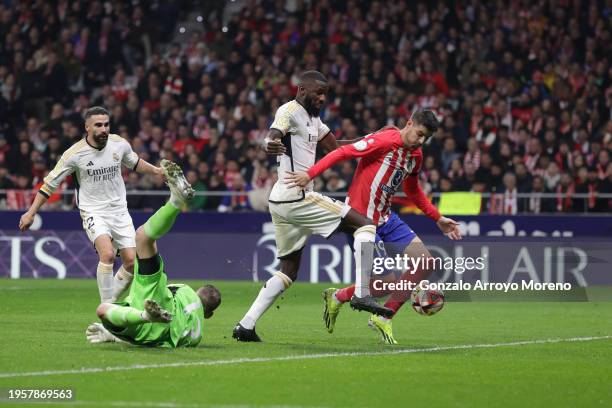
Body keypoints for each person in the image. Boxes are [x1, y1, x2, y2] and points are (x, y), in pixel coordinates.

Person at [233, 71, 391, 342]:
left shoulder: (314, 120)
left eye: (325, 94)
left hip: (281, 201)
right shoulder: (289, 110)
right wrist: (269, 143)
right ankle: (362, 293)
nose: (322, 98)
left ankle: (245, 326)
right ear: (302, 90)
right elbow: (273, 133)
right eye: (318, 93)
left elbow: (337, 149)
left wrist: (374, 140)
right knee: (365, 224)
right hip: (297, 196)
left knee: (288, 270)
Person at [285, 110, 462, 344]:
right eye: (419, 134)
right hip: (360, 222)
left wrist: (437, 217)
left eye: (425, 138)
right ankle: (339, 296)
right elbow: (342, 152)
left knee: (426, 262)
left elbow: (412, 191)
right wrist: (309, 174)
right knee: (385, 285)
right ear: (409, 124)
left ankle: (381, 317)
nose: (420, 141)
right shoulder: (384, 141)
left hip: (387, 219)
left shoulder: (415, 156)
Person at [19, 106, 161, 304]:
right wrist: (31, 212)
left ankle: (109, 304)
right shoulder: (74, 154)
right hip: (93, 211)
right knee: (108, 255)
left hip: (120, 211)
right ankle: (106, 309)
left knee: (130, 262)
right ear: (87, 127)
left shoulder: (119, 144)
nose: (104, 129)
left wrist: (157, 171)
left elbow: (134, 162)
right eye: (98, 125)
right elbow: (50, 184)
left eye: (106, 124)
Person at [86, 159, 221, 347]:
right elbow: (152, 342)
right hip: (153, 335)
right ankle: (142, 316)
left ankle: (175, 201)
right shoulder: (196, 337)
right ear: (208, 314)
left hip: (161, 309)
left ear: (198, 291)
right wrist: (115, 337)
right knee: (103, 311)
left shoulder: (186, 291)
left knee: (142, 237)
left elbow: (163, 290)